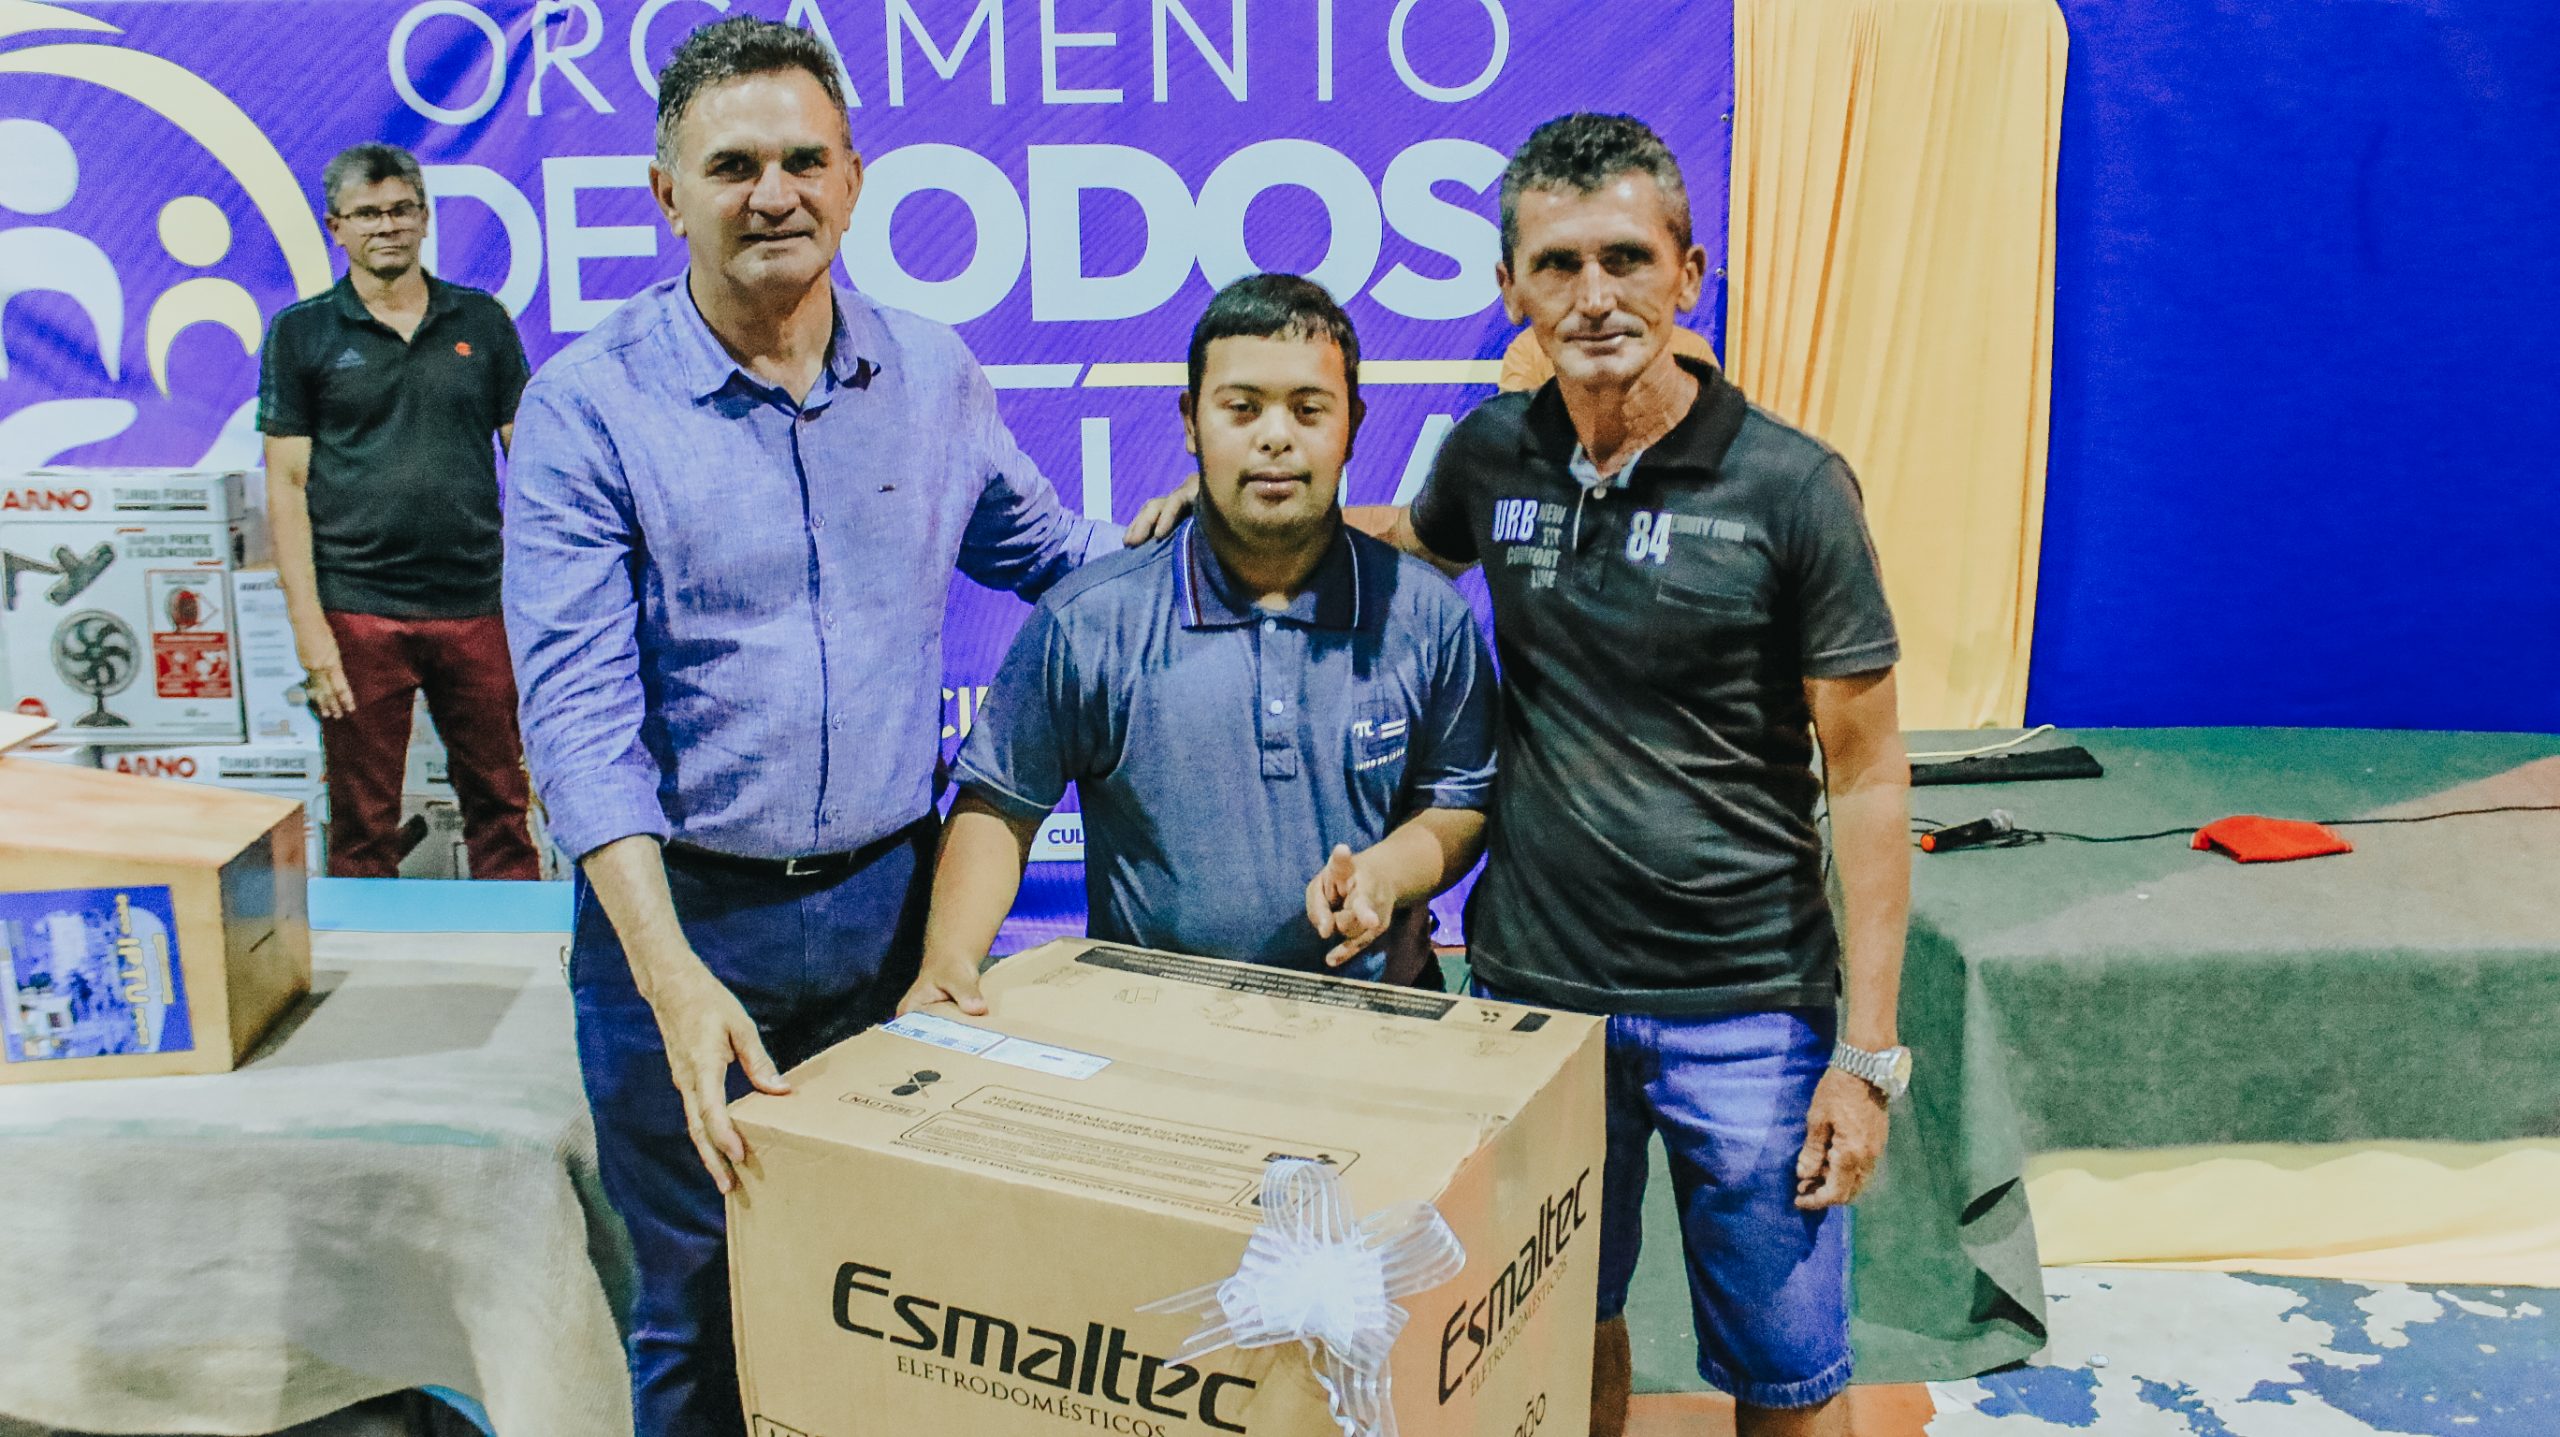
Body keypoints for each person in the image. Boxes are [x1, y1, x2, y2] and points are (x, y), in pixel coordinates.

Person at [499, 20, 1184, 1437]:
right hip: (685, 930)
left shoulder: (931, 375)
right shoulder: (586, 409)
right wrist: (672, 979)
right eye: (732, 166)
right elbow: (576, 724)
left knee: (902, 1290)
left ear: (855, 180)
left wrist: (1204, 539)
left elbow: (1051, 557)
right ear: (666, 194)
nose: (775, 195)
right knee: (700, 1305)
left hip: (891, 916)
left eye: (805, 160)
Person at [1354, 114, 1913, 1437]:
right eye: (1558, 264)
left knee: (1787, 1376)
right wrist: (1232, 507)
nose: (1593, 295)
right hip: (1538, 1007)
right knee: (1554, 1331)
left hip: (1751, 1015)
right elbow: (1411, 539)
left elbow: (1869, 779)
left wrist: (1866, 1055)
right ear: (1511, 289)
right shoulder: (1492, 453)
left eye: (1625, 258)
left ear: (1687, 275)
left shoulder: (1792, 488)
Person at [900, 275, 1495, 1017]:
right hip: (1151, 1034)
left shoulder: (1428, 617)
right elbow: (999, 805)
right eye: (1241, 408)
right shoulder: (1090, 619)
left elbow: (1459, 802)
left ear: (1353, 424)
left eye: (1309, 409)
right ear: (1191, 421)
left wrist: (1386, 873)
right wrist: (951, 960)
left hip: (1383, 1025)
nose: (1275, 436)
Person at [258, 143, 540, 879]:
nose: (387, 226)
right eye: (367, 214)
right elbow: (285, 486)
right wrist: (310, 630)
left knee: (504, 810)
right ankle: (366, 959)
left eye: (401, 210)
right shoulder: (301, 334)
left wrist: (544, 598)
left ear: (425, 217)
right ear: (336, 227)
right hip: (358, 611)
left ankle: (523, 945)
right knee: (361, 825)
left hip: (478, 605)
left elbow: (535, 465)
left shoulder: (482, 320)